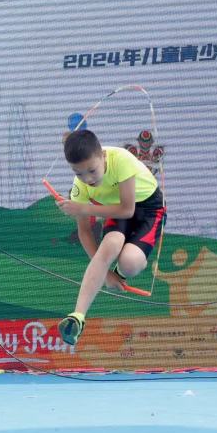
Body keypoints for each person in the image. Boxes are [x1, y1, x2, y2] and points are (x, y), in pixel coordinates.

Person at [54, 129, 165, 346]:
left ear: (103, 156)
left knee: (130, 263)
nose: (87, 179)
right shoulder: (79, 188)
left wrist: (83, 208)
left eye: (92, 171)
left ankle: (125, 269)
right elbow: (84, 232)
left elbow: (127, 210)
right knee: (110, 245)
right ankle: (77, 316)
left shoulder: (121, 159)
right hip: (114, 210)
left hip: (147, 210)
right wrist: (105, 274)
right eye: (79, 174)